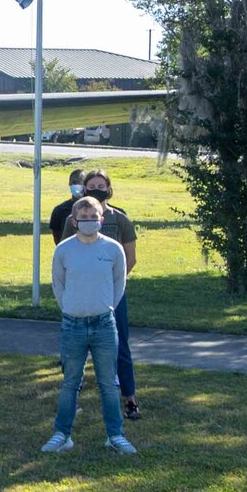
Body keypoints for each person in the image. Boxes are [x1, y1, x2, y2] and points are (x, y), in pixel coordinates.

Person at [45, 195, 134, 455]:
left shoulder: (112, 249)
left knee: (108, 383)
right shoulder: (64, 249)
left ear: (101, 219)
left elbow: (119, 283)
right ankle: (62, 434)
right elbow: (58, 284)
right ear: (74, 221)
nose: (88, 222)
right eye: (83, 218)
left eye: (93, 218)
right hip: (72, 325)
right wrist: (71, 308)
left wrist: (104, 307)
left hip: (104, 324)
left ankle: (115, 435)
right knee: (70, 382)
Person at [79, 169, 141, 420]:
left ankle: (130, 399)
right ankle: (71, 398)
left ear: (109, 189)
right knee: (76, 346)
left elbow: (130, 259)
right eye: (92, 185)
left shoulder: (120, 219)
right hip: (82, 293)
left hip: (114, 294)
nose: (96, 188)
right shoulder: (74, 219)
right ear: (84, 189)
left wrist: (113, 284)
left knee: (120, 345)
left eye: (101, 185)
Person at [48, 169, 89, 246]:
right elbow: (56, 236)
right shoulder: (59, 210)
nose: (77, 185)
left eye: (81, 182)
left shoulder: (92, 209)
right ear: (69, 184)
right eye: (74, 182)